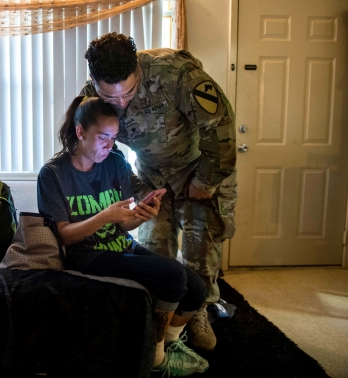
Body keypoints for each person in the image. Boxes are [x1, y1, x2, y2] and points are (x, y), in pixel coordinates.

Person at [80, 32, 238, 351]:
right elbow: (97, 149)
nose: (121, 103)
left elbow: (221, 129)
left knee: (200, 250)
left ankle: (198, 311)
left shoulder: (176, 75)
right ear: (95, 83)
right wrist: (133, 189)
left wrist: (205, 182)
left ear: (137, 69)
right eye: (112, 98)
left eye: (128, 92)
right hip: (151, 176)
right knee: (155, 253)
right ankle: (158, 321)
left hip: (199, 168)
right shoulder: (89, 98)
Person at [37, 96, 209, 376]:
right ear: (80, 133)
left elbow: (123, 223)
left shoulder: (115, 162)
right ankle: (154, 359)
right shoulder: (53, 174)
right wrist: (105, 216)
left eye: (114, 137)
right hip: (87, 255)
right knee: (173, 276)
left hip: (121, 244)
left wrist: (139, 214)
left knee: (197, 288)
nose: (109, 145)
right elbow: (65, 237)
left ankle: (170, 345)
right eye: (103, 137)